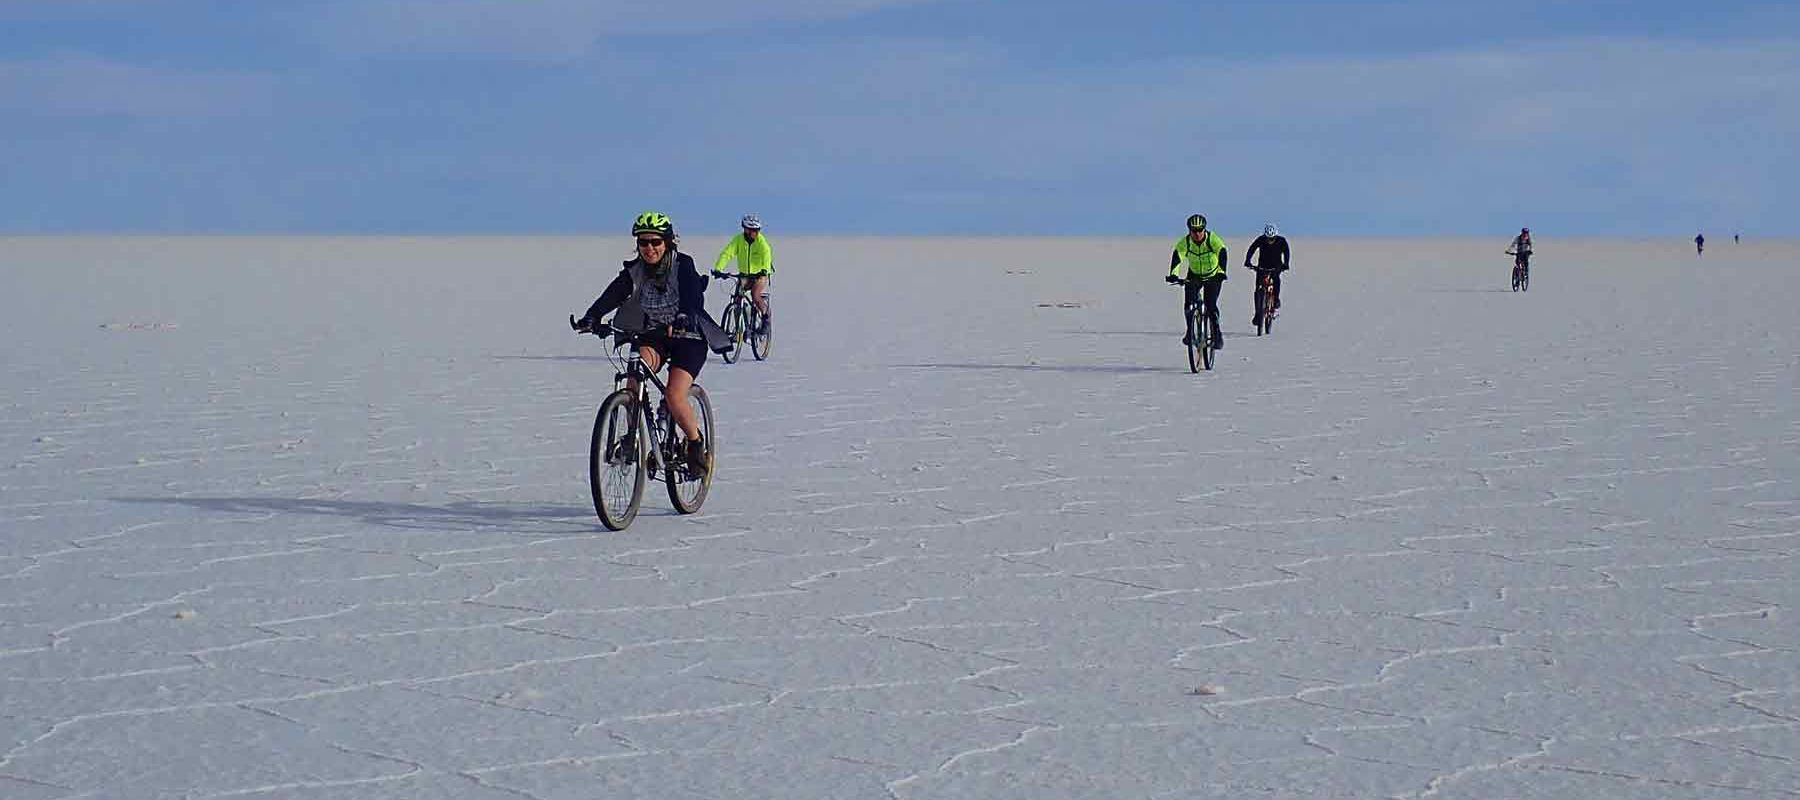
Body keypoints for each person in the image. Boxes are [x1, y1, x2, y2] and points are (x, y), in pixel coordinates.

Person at [573, 212, 727, 472]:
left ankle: (695, 444)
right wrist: (592, 316)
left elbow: (691, 296)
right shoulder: (636, 271)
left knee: (674, 395)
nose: (649, 248)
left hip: (688, 338)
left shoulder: (683, 265)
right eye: (643, 242)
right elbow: (613, 294)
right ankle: (631, 437)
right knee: (635, 375)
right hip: (655, 336)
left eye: (655, 242)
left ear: (667, 242)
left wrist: (683, 316)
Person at [1166, 213, 1229, 350]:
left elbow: (1222, 253)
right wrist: (1173, 274)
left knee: (1210, 305)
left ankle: (1217, 334)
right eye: (1194, 231)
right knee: (1189, 305)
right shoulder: (1186, 242)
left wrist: (1221, 272)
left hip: (1213, 276)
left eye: (1200, 230)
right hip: (1194, 276)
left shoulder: (1212, 239)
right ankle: (1190, 332)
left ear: (1204, 229)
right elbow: (1178, 257)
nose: (1197, 233)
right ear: (1189, 230)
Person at [713, 214, 774, 333]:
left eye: (757, 230)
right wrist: (718, 269)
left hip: (760, 275)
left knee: (755, 295)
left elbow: (767, 256)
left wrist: (764, 270)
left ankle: (766, 316)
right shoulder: (738, 240)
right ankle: (739, 329)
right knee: (737, 298)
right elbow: (727, 253)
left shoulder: (762, 242)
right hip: (744, 275)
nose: (755, 233)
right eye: (753, 230)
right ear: (745, 229)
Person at [1244, 222, 1290, 327]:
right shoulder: (1261, 239)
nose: (1270, 241)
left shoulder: (1281, 241)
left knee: (1276, 280)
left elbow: (1286, 252)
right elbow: (1252, 249)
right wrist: (1248, 261)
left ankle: (1276, 299)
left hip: (1276, 267)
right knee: (1258, 289)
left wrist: (1286, 263)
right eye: (1268, 239)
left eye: (1272, 239)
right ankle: (1258, 313)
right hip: (1262, 267)